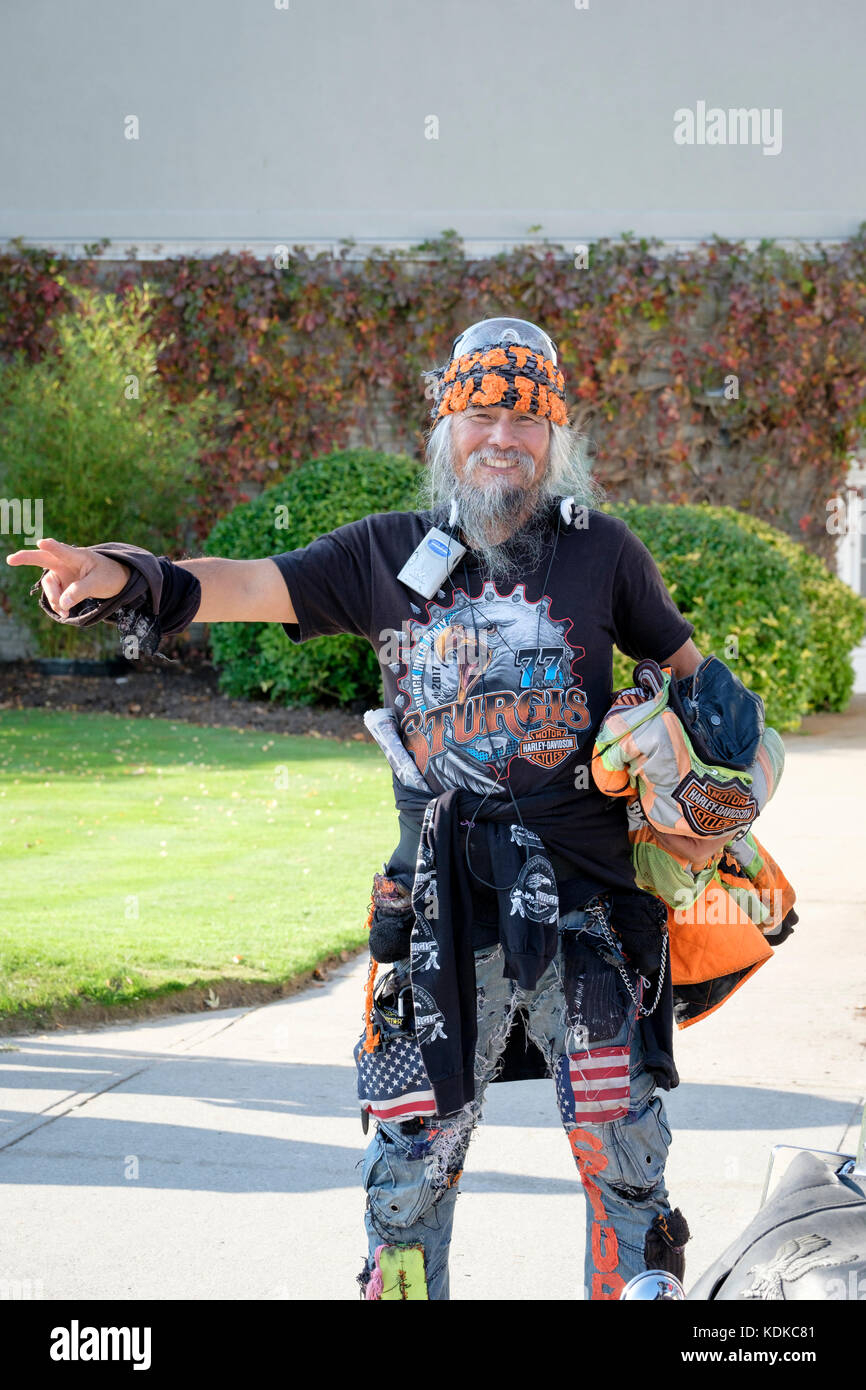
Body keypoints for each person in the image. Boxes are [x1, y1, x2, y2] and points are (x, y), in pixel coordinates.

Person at [8, 316, 704, 1301]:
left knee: (623, 1161)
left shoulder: (602, 553)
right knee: (407, 1182)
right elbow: (242, 584)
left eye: (522, 414)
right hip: (435, 916)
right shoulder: (384, 554)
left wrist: (696, 739)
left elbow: (696, 683)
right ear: (443, 427)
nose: (499, 434)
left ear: (555, 436)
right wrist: (124, 577)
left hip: (585, 909)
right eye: (477, 411)